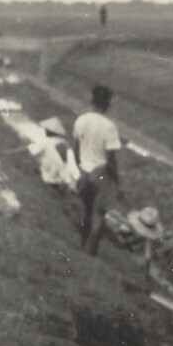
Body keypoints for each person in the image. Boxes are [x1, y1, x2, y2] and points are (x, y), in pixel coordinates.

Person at [72, 84, 123, 256]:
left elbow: (75, 147)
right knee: (99, 213)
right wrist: (117, 182)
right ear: (108, 104)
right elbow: (111, 159)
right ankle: (92, 251)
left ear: (92, 100)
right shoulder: (109, 127)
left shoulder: (81, 120)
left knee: (86, 210)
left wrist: (79, 168)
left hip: (84, 171)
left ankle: (82, 244)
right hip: (100, 173)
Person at [125, 205, 164, 293]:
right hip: (128, 236)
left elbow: (147, 256)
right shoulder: (130, 226)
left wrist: (146, 283)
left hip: (135, 244)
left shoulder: (146, 239)